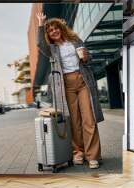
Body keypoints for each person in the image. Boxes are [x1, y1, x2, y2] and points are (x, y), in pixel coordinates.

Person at [36, 12, 104, 169]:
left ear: (61, 28)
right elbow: (40, 43)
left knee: (89, 118)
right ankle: (78, 152)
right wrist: (41, 24)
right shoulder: (52, 49)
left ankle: (93, 156)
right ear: (49, 35)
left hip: (83, 80)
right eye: (50, 31)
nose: (54, 31)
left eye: (55, 28)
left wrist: (86, 56)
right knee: (73, 121)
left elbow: (89, 58)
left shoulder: (75, 40)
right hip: (65, 84)